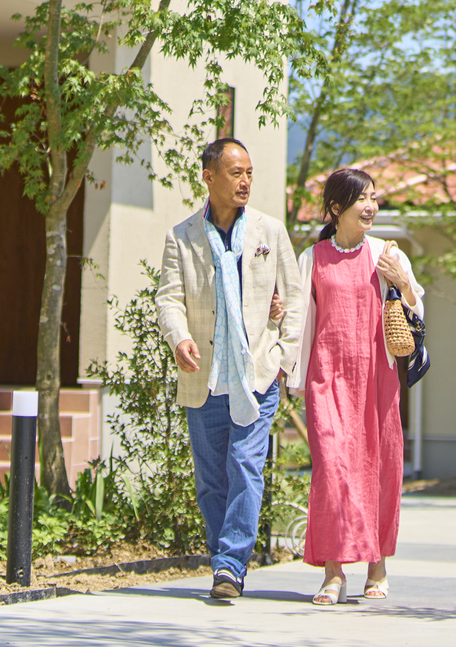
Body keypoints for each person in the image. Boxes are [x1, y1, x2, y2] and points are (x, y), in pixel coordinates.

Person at [155, 137, 304, 601]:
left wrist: (283, 354)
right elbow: (168, 298)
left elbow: (294, 297)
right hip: (204, 377)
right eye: (235, 173)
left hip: (257, 373)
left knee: (245, 465)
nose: (245, 182)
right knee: (211, 480)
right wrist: (179, 337)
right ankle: (225, 558)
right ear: (209, 176)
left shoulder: (269, 231)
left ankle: (229, 565)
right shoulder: (182, 235)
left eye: (249, 173)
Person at [289, 167, 421, 606]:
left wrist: (401, 282)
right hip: (327, 378)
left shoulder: (386, 253)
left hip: (378, 378)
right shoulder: (312, 258)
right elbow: (297, 319)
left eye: (374, 198)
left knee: (381, 467)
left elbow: (417, 306)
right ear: (335, 209)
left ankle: (377, 564)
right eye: (361, 199)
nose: (371, 206)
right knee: (331, 471)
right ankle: (333, 572)